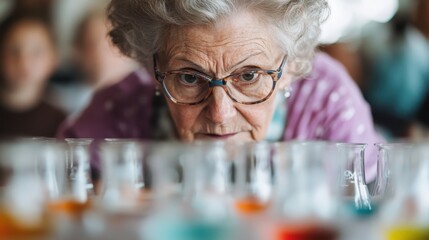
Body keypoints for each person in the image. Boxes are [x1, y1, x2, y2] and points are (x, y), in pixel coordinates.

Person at [59, 0, 382, 180]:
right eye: (188, 78)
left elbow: (368, 209)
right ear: (152, 71)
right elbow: (55, 193)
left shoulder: (326, 100)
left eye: (250, 75)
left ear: (291, 68)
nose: (220, 114)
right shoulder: (118, 111)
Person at [48, 9, 138, 114]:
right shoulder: (60, 106)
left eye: (113, 42)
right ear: (78, 52)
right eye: (93, 44)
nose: (102, 52)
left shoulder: (147, 100)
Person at [0, 12, 66, 138]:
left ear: (54, 59)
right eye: (14, 51)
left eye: (36, 52)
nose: (24, 62)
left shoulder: (61, 123)